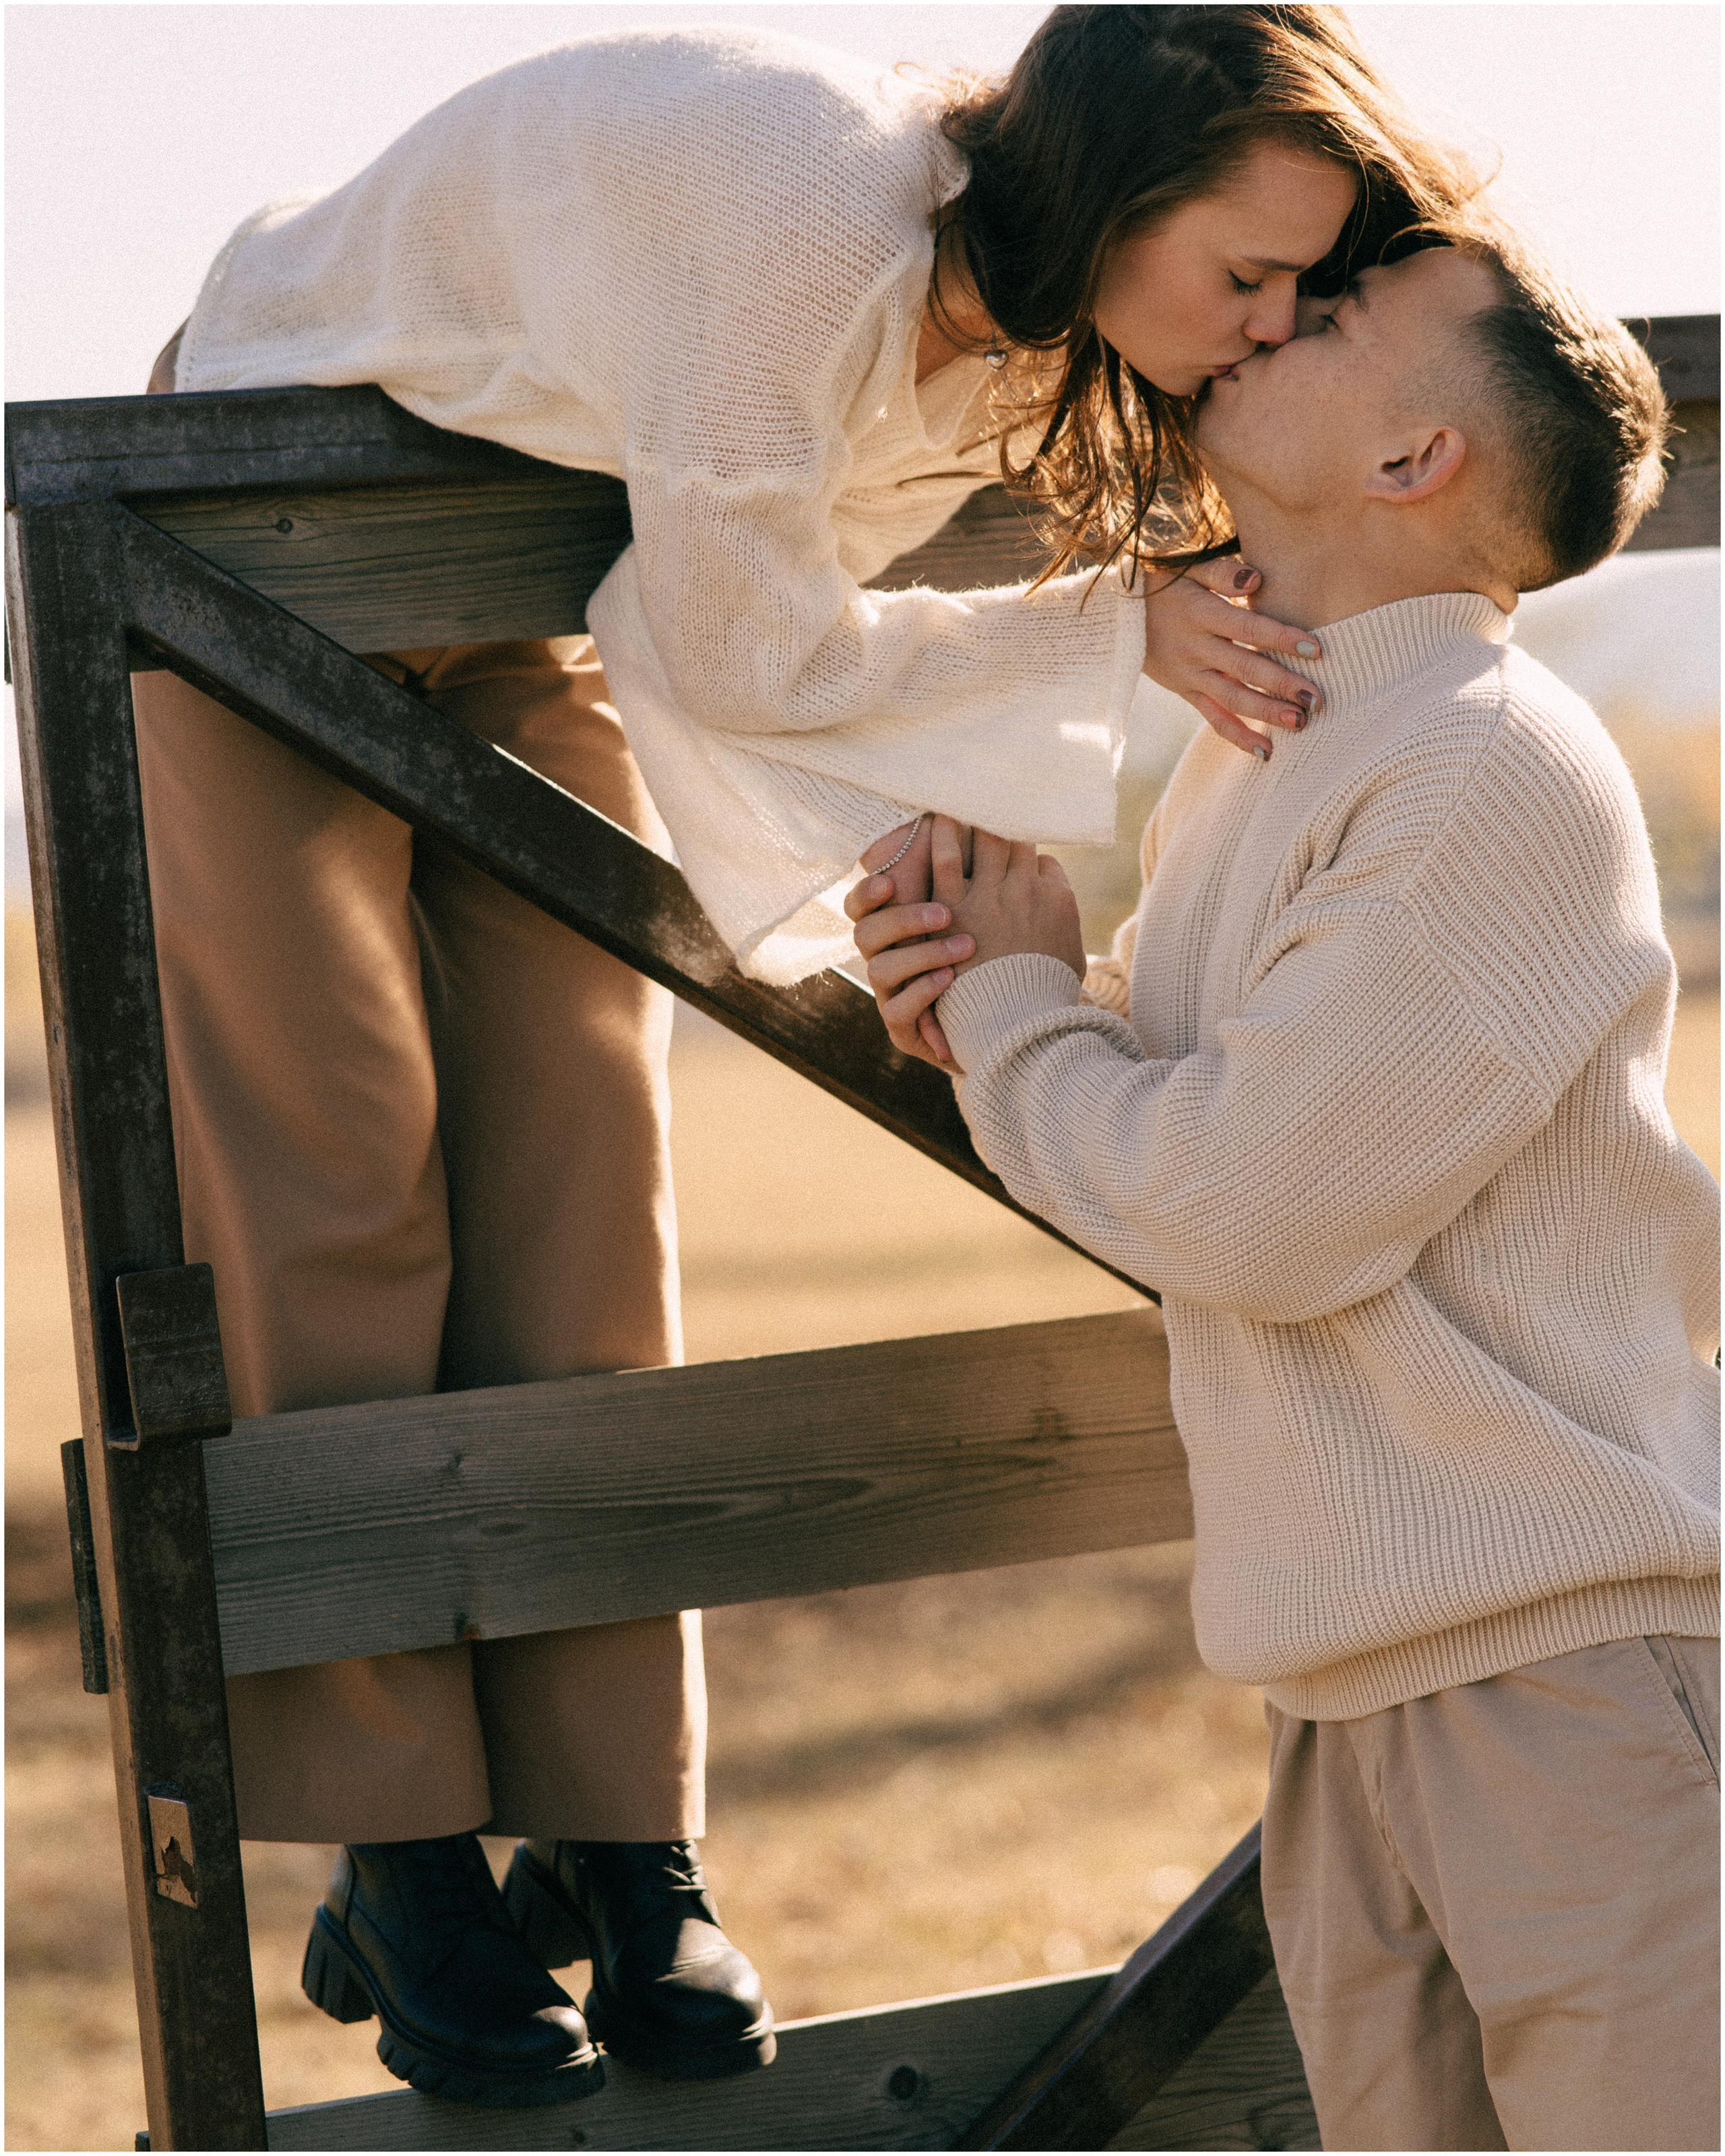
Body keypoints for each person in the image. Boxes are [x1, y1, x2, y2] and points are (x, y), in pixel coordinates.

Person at [132, 4, 1477, 2108]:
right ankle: (400, 1851)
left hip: (523, 573)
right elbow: (753, 640)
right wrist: (1114, 628)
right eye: (1246, 279)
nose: (1264, 326)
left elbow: (705, 606)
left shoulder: (1058, 331)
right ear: (1112, 197)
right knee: (336, 1176)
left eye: (1301, 291)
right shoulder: (807, 218)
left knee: (591, 1172)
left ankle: (622, 1833)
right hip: (241, 533)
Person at [849, 228, 1720, 2151]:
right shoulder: (1269, 762)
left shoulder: (1485, 764)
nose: (1259, 322)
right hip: (1353, 1700)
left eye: (1330, 316)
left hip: (1565, 1682)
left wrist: (1014, 1018)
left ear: (1418, 461)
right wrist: (1005, 992)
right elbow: (1201, 1131)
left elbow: (1248, 1207)